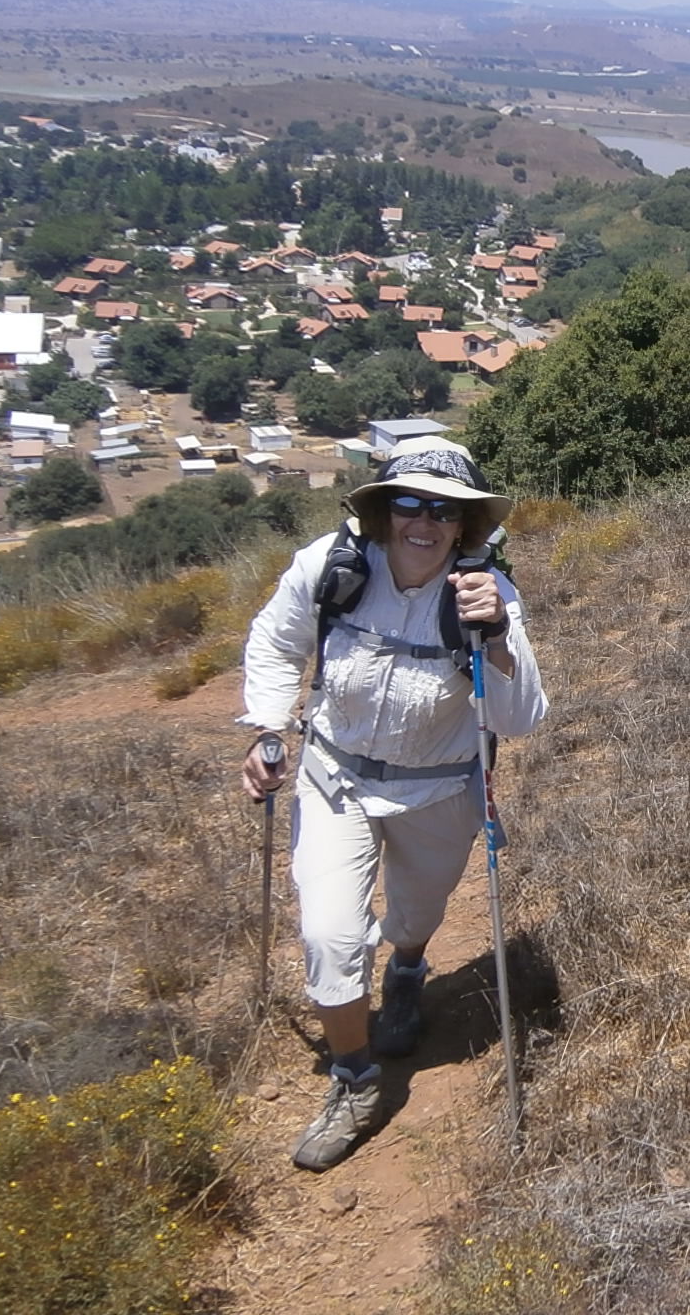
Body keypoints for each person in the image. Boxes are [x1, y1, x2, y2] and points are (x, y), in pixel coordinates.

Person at [239, 439, 547, 1171]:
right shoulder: (331, 569)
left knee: (415, 914)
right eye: (409, 502)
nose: (424, 521)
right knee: (331, 935)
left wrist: (497, 639)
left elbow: (521, 717)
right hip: (334, 779)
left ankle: (407, 970)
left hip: (439, 788)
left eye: (445, 510)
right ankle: (355, 1078)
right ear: (383, 510)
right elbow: (276, 642)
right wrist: (268, 727)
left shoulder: (488, 595)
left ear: (465, 525)